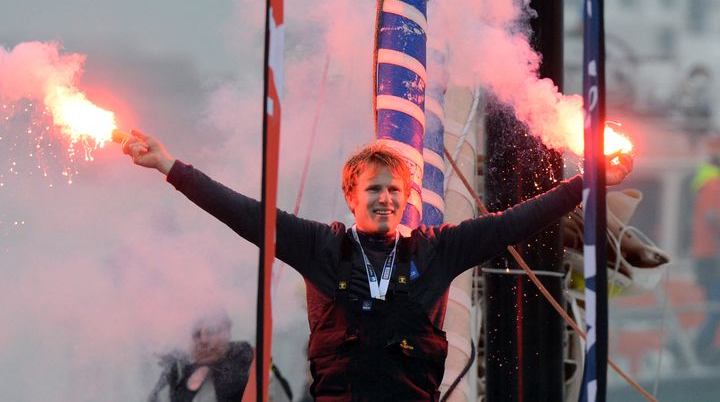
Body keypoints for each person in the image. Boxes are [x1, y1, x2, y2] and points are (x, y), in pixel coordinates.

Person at [125, 130, 632, 401]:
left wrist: (586, 182)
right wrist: (172, 167)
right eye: (374, 189)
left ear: (407, 199)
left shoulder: (438, 250)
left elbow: (512, 223)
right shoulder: (318, 247)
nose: (385, 198)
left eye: (395, 190)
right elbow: (245, 214)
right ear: (352, 195)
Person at [147, 309, 253, 402]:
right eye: (196, 333)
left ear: (228, 330)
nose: (204, 340)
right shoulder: (173, 375)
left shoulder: (257, 366)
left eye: (212, 330)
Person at [691, 137, 720, 364]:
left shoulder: (708, 181)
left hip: (708, 256)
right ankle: (697, 349)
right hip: (711, 257)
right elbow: (713, 218)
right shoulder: (714, 183)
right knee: (715, 306)